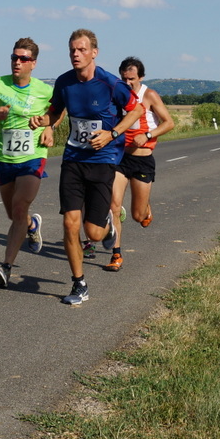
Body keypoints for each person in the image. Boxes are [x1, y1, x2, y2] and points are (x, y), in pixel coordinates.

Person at [28, 29, 141, 305]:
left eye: (81, 50)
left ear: (94, 52)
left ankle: (107, 225)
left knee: (94, 233)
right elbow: (56, 109)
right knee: (69, 223)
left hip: (103, 160)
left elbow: (136, 110)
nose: (75, 55)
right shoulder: (65, 82)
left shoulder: (110, 83)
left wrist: (112, 134)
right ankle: (79, 284)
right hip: (74, 159)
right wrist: (45, 121)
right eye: (71, 50)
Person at [0, 37, 54, 288]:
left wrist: (50, 127)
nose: (17, 62)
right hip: (4, 158)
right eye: (14, 57)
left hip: (33, 156)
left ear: (34, 64)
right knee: (14, 215)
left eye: (23, 59)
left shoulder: (44, 90)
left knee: (19, 207)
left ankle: (6, 267)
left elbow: (57, 111)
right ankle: (32, 224)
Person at [104, 57, 175, 272]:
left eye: (132, 79)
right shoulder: (118, 95)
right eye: (124, 79)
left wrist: (148, 134)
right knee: (113, 206)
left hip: (143, 160)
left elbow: (169, 123)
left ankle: (146, 209)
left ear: (141, 77)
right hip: (120, 158)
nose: (127, 84)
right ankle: (116, 255)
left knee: (138, 216)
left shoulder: (149, 95)